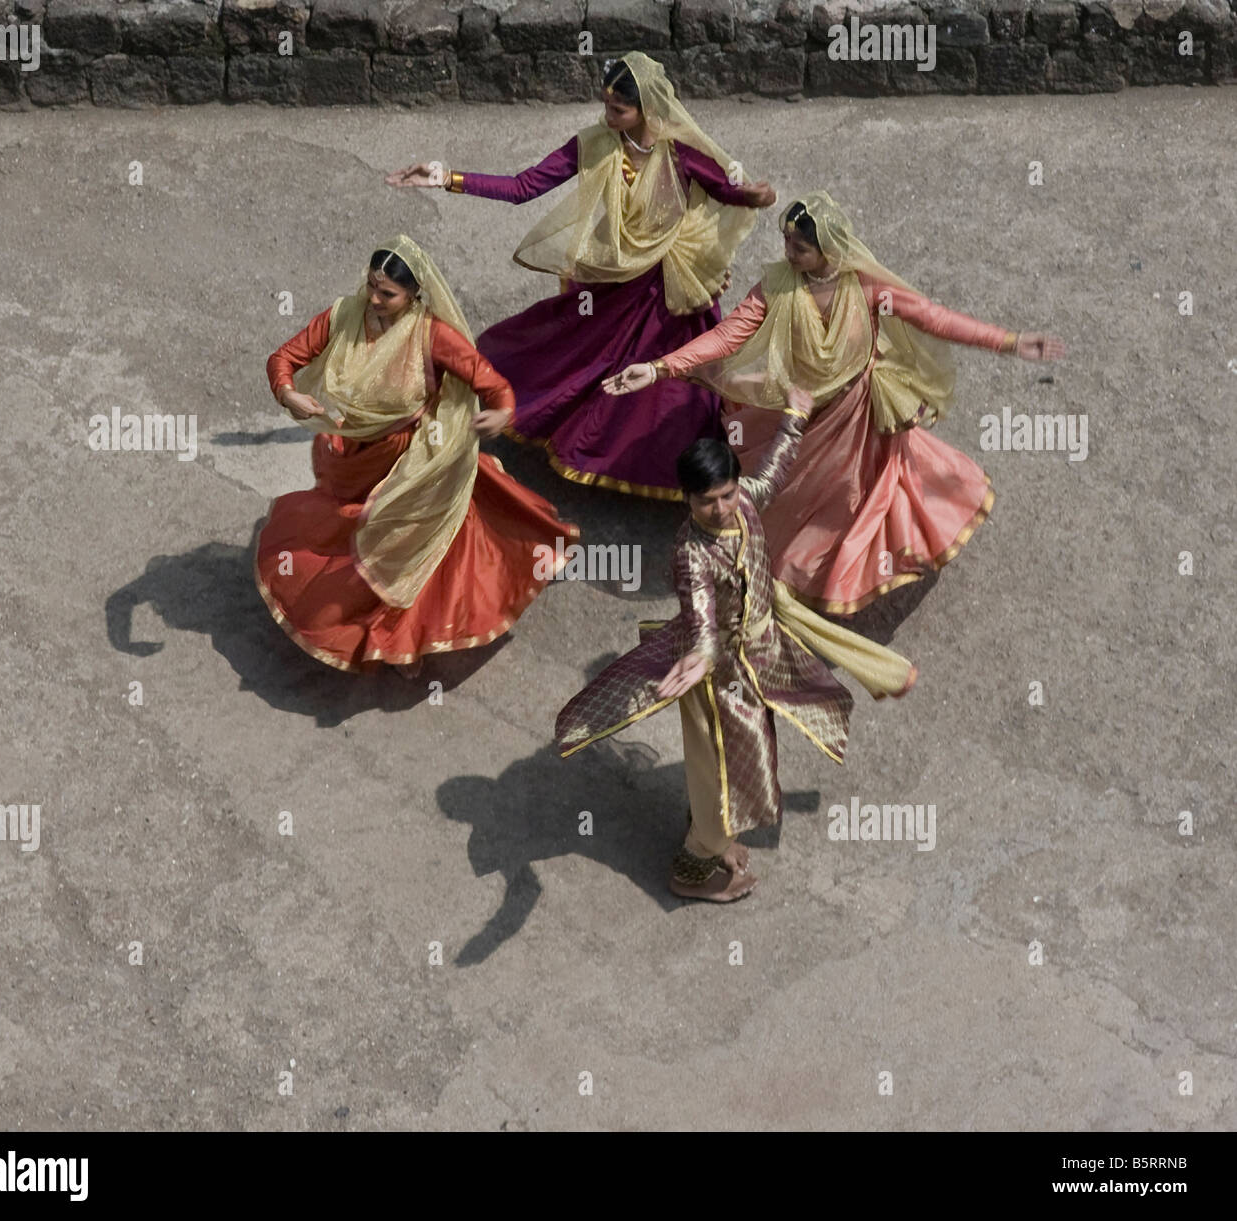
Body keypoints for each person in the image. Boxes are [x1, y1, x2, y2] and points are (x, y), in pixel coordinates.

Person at [604, 191, 1067, 614]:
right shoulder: (776, 287)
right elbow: (728, 336)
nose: (788, 254)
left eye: (799, 248)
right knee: (793, 493)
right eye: (786, 243)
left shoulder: (866, 289)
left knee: (859, 494)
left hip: (857, 413)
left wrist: (1010, 341)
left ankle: (855, 563)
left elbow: (934, 318)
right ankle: (802, 566)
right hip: (801, 410)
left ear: (829, 249)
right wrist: (660, 367)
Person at [555, 395, 917, 901]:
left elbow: (774, 469)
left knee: (743, 761)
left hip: (757, 656)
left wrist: (794, 416)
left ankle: (714, 835)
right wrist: (700, 657)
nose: (721, 509)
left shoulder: (745, 500)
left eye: (726, 494)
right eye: (707, 502)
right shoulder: (690, 554)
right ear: (687, 499)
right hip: (716, 678)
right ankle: (696, 866)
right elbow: (701, 615)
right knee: (726, 770)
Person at [387, 52, 776, 500]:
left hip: (674, 287)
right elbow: (522, 187)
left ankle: (683, 473)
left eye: (618, 109)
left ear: (646, 108)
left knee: (678, 383)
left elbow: (735, 194)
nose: (607, 116)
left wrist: (763, 195)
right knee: (575, 357)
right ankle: (575, 438)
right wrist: (445, 177)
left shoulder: (683, 154)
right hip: (616, 281)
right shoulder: (594, 145)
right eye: (606, 106)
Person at [256, 235, 578, 677]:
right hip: (354, 453)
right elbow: (284, 358)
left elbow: (493, 385)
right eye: (371, 286)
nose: (374, 299)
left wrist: (499, 416)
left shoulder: (433, 336)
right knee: (351, 533)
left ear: (413, 296)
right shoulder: (344, 315)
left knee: (407, 546)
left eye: (386, 293)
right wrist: (289, 394)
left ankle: (403, 640)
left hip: (414, 462)